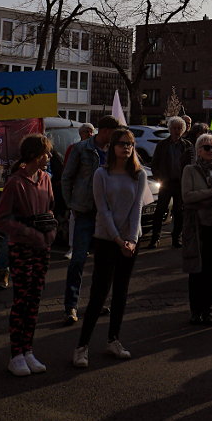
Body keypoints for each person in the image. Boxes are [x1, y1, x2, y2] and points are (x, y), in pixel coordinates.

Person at [72, 127, 146, 368]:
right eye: (122, 143)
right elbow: (102, 210)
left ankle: (114, 339)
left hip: (130, 240)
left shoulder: (139, 174)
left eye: (130, 144)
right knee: (99, 294)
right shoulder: (101, 175)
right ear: (112, 146)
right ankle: (82, 346)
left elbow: (137, 209)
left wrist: (132, 240)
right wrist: (117, 239)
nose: (127, 147)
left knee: (121, 292)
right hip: (107, 240)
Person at [0, 134, 57, 377]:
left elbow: (51, 208)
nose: (49, 157)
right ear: (34, 155)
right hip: (21, 248)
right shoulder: (15, 183)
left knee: (35, 298)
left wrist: (51, 230)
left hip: (43, 246)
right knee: (21, 300)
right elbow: (0, 219)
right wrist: (28, 232)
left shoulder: (46, 180)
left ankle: (28, 349)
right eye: (45, 153)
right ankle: (16, 353)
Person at [61, 114, 120, 324]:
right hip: (85, 211)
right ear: (104, 131)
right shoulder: (82, 149)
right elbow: (67, 177)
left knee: (103, 262)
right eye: (113, 134)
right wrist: (71, 205)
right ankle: (71, 306)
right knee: (78, 259)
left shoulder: (114, 150)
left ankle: (96, 302)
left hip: (106, 213)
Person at [182, 132, 212, 325]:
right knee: (197, 271)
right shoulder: (190, 170)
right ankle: (196, 310)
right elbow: (188, 197)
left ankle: (208, 310)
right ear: (198, 150)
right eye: (207, 147)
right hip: (197, 227)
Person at [148, 116, 195, 249]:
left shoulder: (187, 145)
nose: (176, 131)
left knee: (179, 212)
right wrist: (159, 178)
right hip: (166, 183)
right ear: (169, 129)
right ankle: (155, 238)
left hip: (180, 183)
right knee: (160, 211)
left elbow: (192, 163)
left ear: (183, 129)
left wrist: (187, 180)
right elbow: (154, 163)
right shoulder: (162, 145)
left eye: (179, 128)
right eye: (174, 128)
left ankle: (176, 238)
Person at [64, 123, 96, 260]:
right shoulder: (74, 149)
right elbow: (67, 171)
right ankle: (73, 247)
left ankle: (87, 246)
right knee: (75, 220)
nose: (89, 134)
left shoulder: (96, 149)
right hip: (78, 192)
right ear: (80, 134)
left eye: (91, 131)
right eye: (86, 131)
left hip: (93, 192)